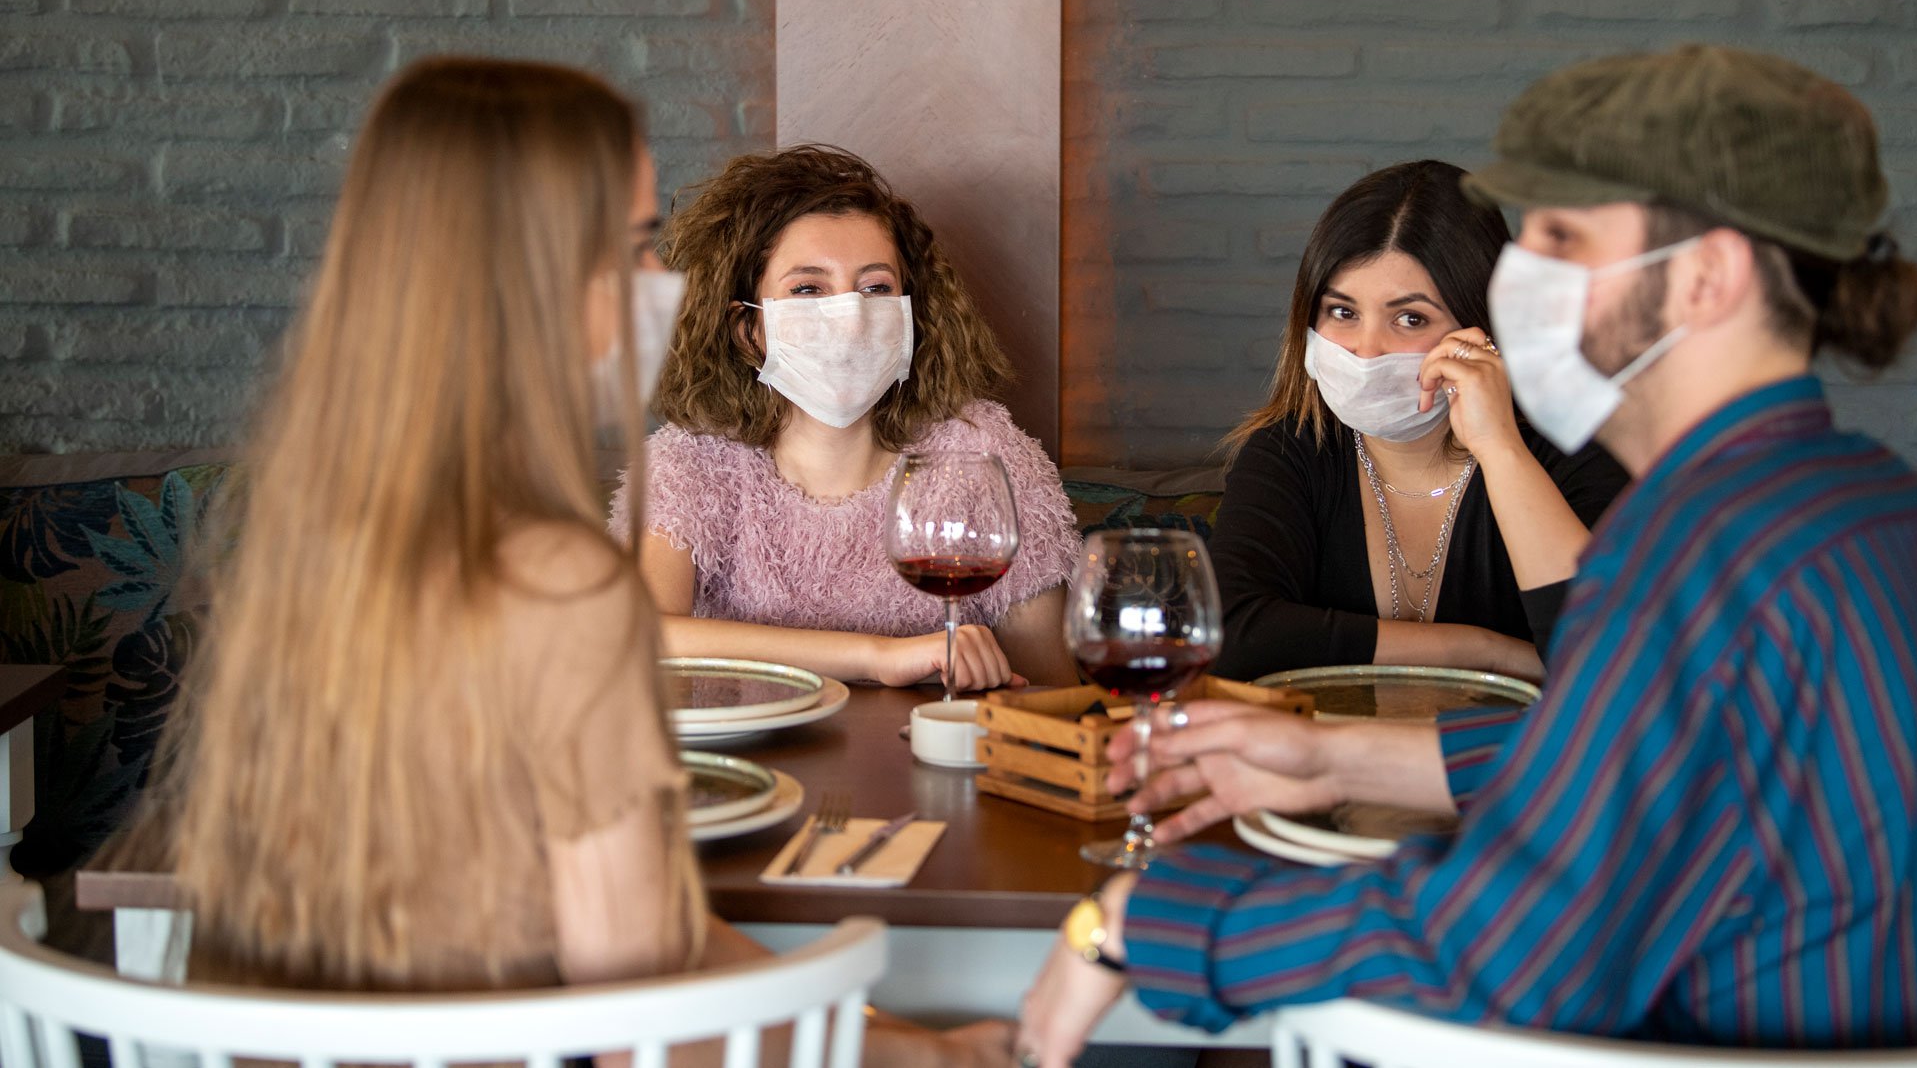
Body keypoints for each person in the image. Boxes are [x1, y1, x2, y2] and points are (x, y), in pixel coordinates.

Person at [1016, 45, 1917, 1061]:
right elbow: (1662, 761)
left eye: (1561, 239)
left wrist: (1142, 921)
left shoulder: (1695, 564)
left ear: (1705, 276)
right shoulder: (1890, 516)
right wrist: (1338, 753)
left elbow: (1504, 947)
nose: (1521, 282)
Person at [134, 59, 1007, 1065]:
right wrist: (931, 1055)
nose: (661, 286)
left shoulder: (315, 549)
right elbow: (641, 997)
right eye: (636, 247)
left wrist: (886, 1033)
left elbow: (645, 948)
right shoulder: (556, 581)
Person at [613, 144, 1078, 691]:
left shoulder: (984, 453)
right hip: (749, 769)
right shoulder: (689, 462)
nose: (851, 315)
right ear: (748, 330)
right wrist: (876, 658)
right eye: (808, 288)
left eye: (875, 287)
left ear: (910, 314)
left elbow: (1051, 691)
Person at [1209, 160, 1627, 685]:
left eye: (1411, 319)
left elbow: (1607, 656)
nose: (1366, 349)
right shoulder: (1292, 450)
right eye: (1343, 312)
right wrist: (1489, 654)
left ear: (1484, 325)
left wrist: (1499, 448)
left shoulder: (1572, 453)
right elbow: (1231, 633)